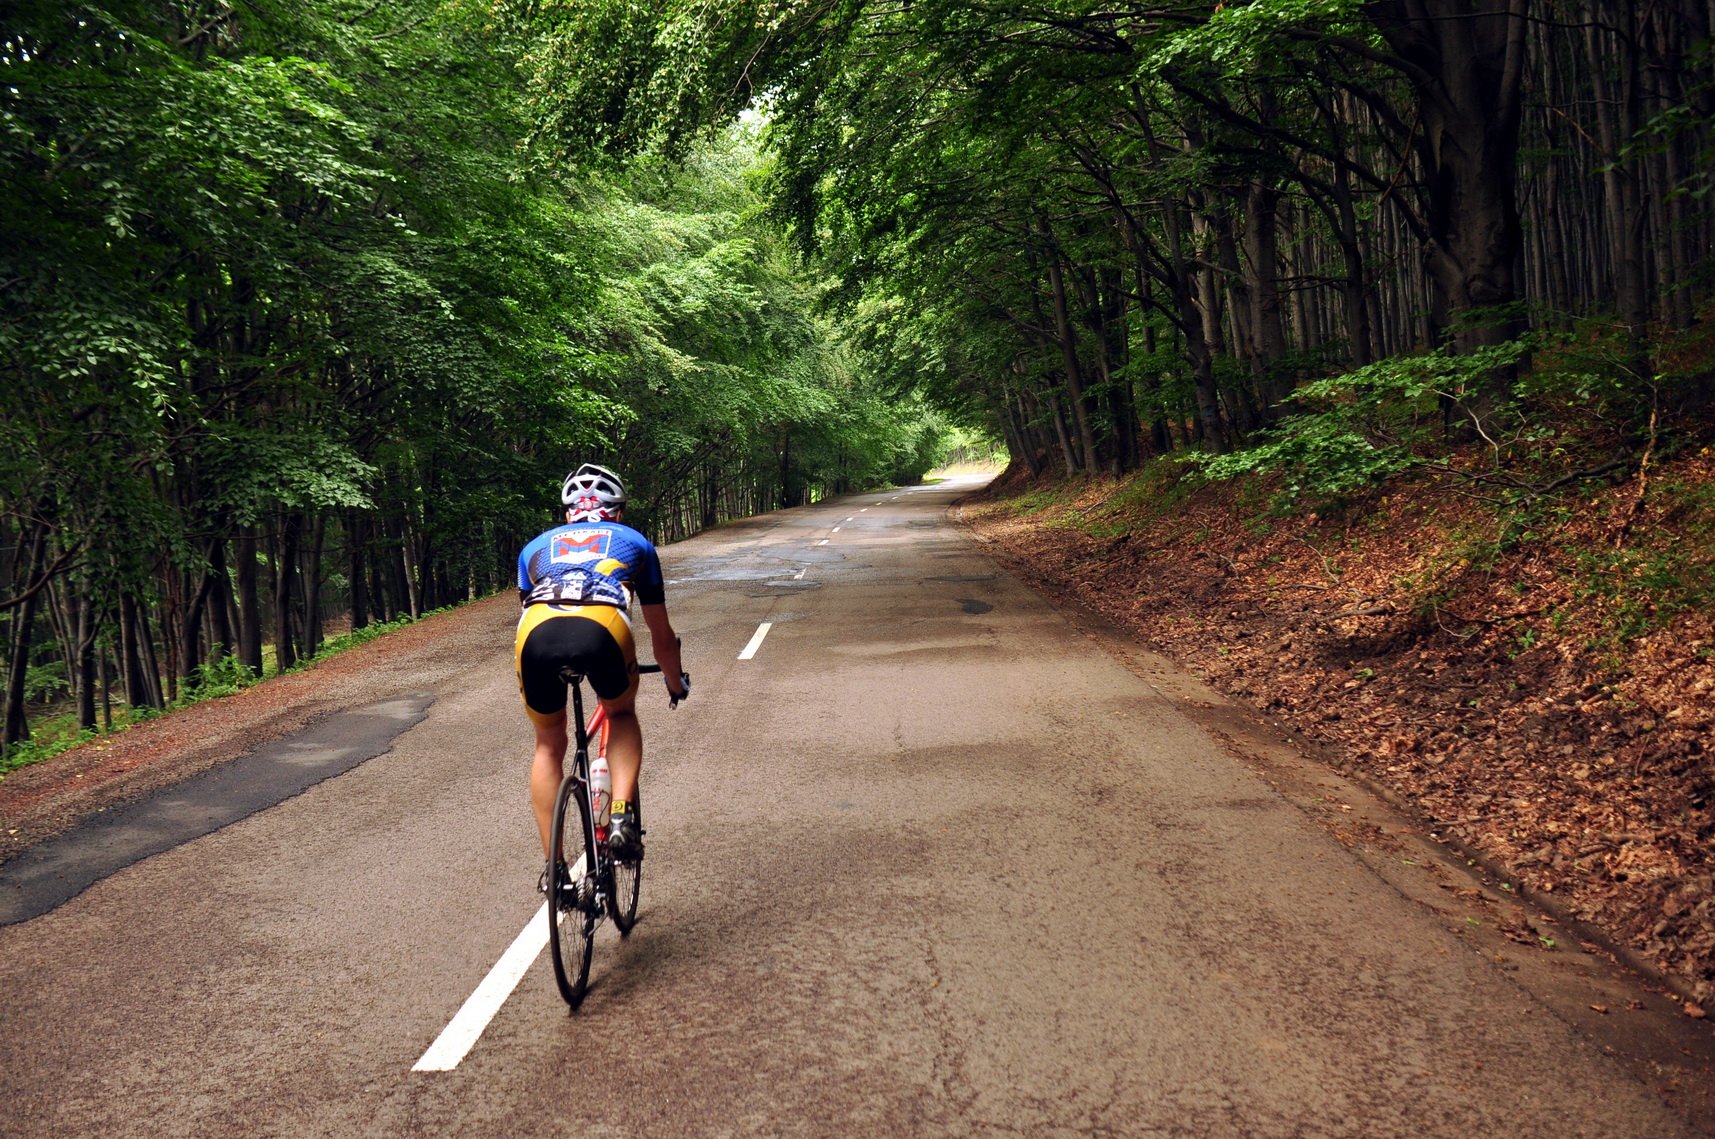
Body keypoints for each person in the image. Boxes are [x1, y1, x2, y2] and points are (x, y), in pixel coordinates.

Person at [514, 463, 687, 880]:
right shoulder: (635, 542)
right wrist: (673, 680)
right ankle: (623, 816)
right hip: (602, 627)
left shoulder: (533, 548)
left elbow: (530, 608)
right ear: (618, 512)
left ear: (568, 512)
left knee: (547, 745)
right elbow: (662, 635)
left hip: (536, 632)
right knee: (620, 712)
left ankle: (554, 868)